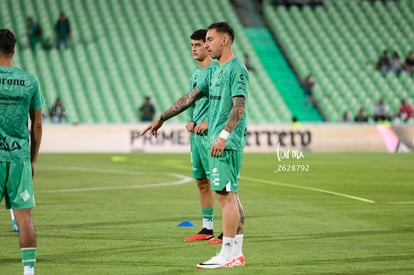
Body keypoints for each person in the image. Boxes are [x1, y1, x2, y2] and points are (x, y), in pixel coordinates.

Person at [142, 22, 247, 269]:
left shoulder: (236, 68)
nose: (206, 44)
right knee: (229, 196)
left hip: (227, 143)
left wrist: (223, 135)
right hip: (216, 141)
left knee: (226, 197)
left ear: (225, 41)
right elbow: (188, 99)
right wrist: (162, 117)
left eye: (210, 40)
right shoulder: (214, 71)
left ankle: (227, 254)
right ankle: (236, 254)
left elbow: (239, 106)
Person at [0, 29, 43, 275]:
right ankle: (28, 272)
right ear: (13, 50)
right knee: (24, 217)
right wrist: (34, 159)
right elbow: (37, 125)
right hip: (19, 158)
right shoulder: (30, 80)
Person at [183, 29, 221, 243]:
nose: (194, 49)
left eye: (198, 44)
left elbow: (223, 102)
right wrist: (190, 120)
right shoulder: (195, 74)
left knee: (221, 184)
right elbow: (191, 100)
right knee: (201, 182)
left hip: (211, 135)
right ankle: (207, 229)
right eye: (192, 45)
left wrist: (208, 122)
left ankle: (229, 232)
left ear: (207, 47)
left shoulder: (217, 70)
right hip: (196, 136)